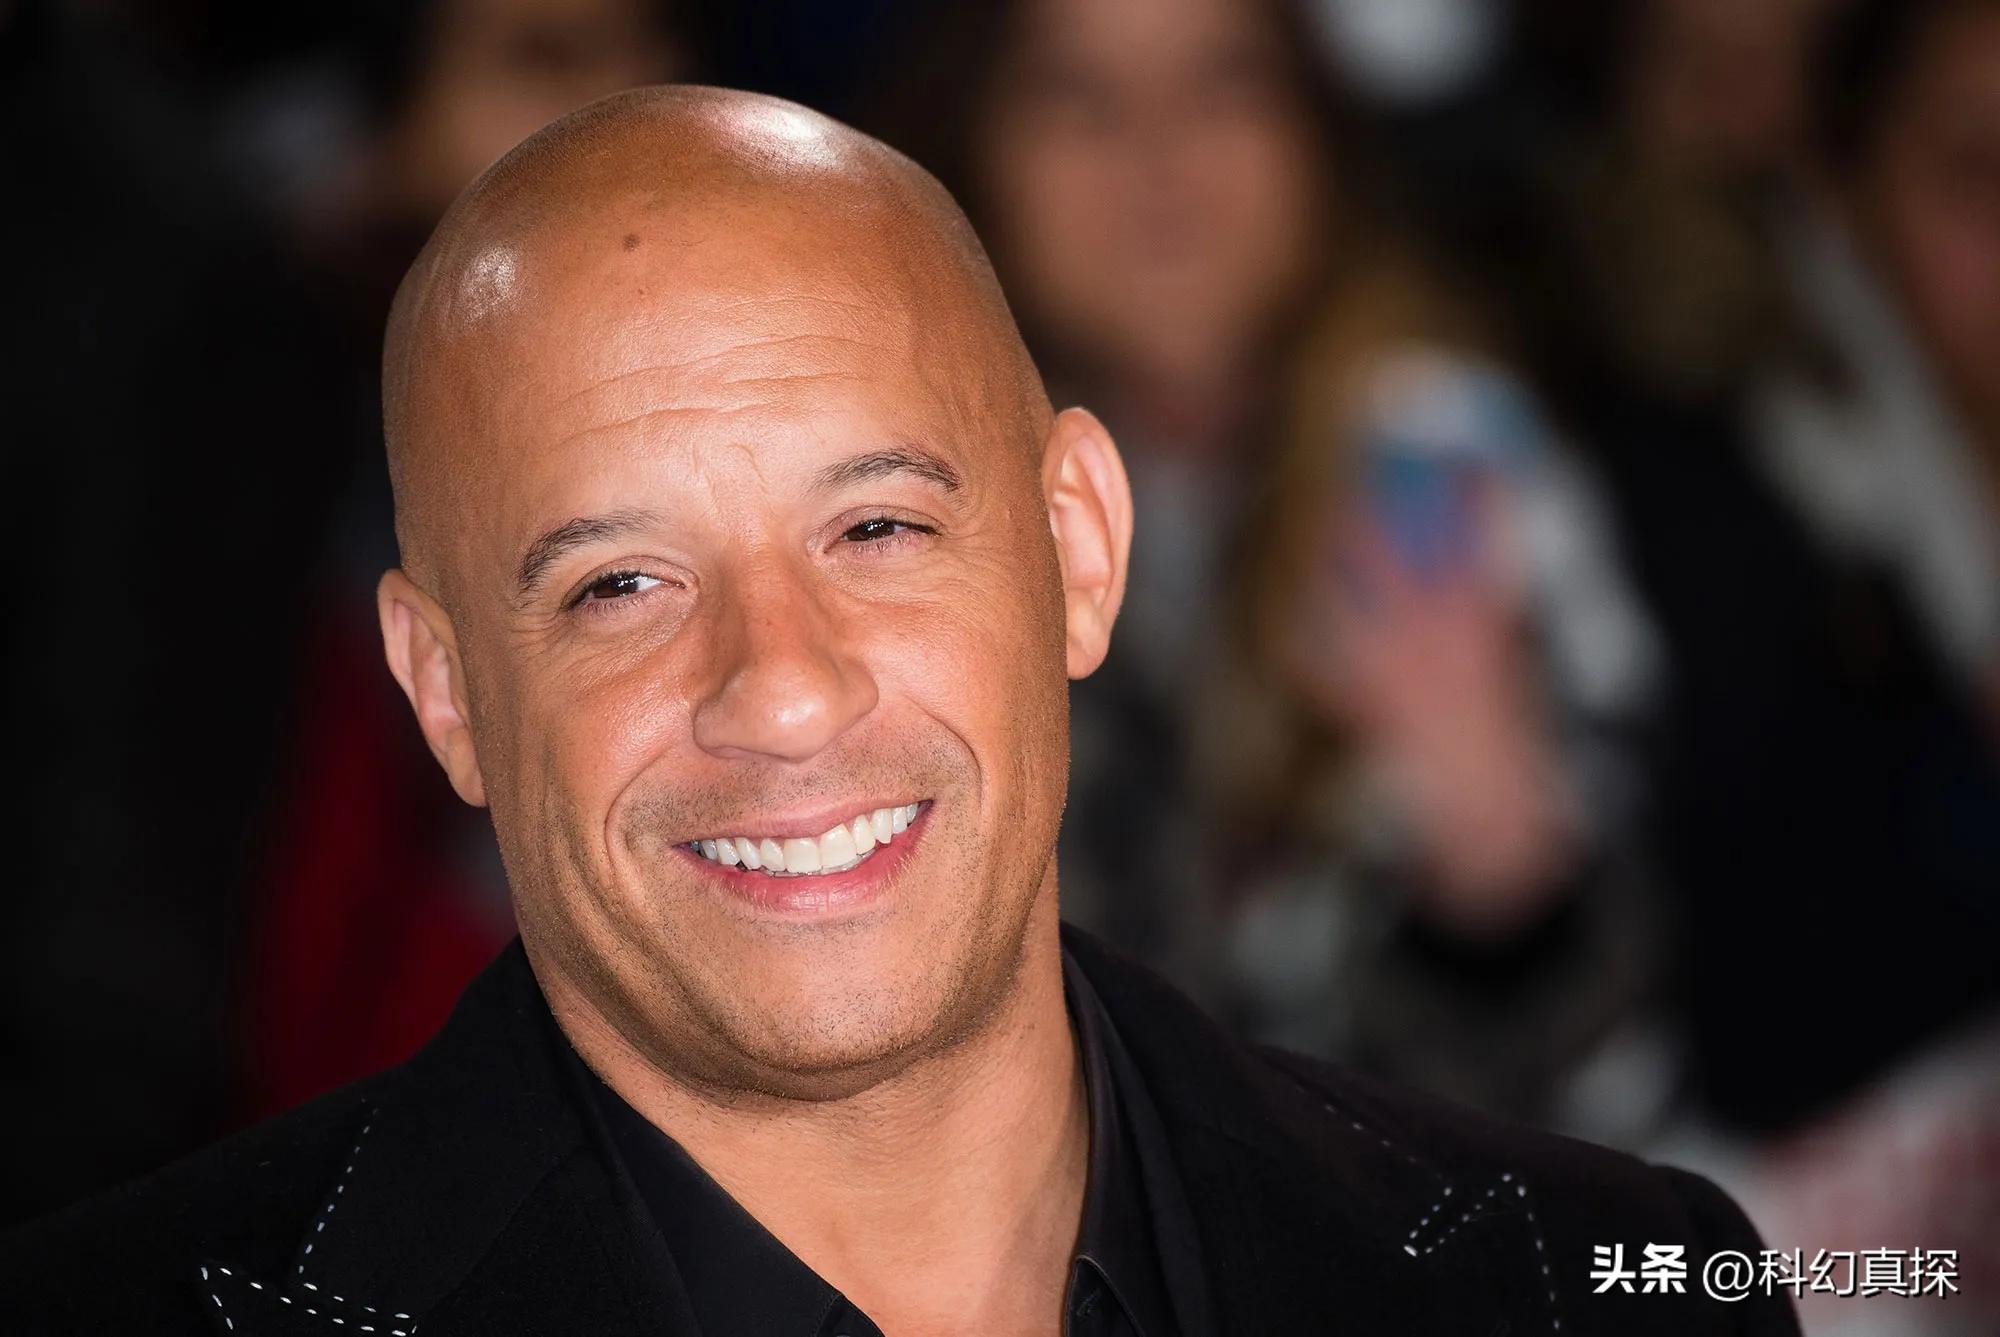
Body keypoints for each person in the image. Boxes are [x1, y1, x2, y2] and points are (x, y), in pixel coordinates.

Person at [1, 86, 1799, 1337]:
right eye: (619, 583)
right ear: (448, 690)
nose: (783, 688)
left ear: (1076, 549)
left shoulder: (1607, 1287)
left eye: (876, 529)